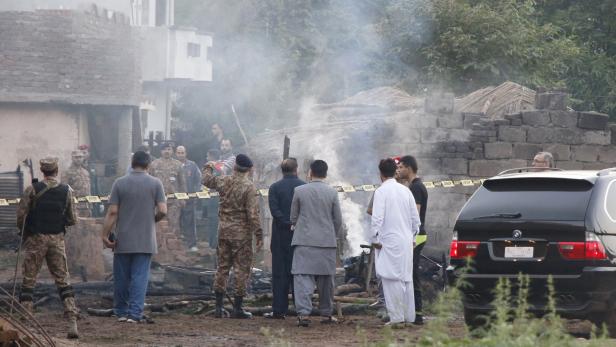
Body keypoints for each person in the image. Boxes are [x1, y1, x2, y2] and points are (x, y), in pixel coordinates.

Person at [17, 157, 79, 339]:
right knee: (63, 279)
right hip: (57, 239)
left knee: (29, 280)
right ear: (56, 170)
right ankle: (72, 320)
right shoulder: (67, 190)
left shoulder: (32, 189)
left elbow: (21, 216)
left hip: (36, 239)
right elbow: (72, 219)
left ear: (42, 171)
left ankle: (25, 321)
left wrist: (25, 232)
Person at [101, 150, 167, 323]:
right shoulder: (156, 183)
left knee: (121, 277)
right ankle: (134, 314)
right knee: (140, 276)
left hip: (123, 239)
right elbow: (163, 210)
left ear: (132, 163)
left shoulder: (119, 183)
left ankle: (121, 312)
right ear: (148, 164)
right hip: (145, 239)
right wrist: (152, 220)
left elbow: (113, 211)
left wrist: (104, 234)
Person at [203, 154, 263, 319]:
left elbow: (206, 180)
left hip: (223, 231)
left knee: (222, 268)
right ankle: (237, 308)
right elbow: (252, 215)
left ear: (235, 166)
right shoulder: (249, 187)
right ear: (250, 170)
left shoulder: (223, 180)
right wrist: (258, 234)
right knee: (241, 270)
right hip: (241, 235)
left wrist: (209, 165)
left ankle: (218, 307)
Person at [290, 160, 343, 327]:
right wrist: (329, 234)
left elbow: (293, 217)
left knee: (303, 279)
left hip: (304, 242)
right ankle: (326, 314)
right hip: (326, 243)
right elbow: (338, 220)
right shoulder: (332, 193)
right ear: (326, 174)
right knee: (326, 281)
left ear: (310, 172)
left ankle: (304, 315)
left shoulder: (299, 191)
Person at [370, 158, 421, 328]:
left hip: (389, 241)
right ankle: (408, 316)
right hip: (406, 240)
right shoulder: (406, 191)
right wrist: (413, 238)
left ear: (381, 174)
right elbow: (416, 219)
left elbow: (377, 218)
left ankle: (397, 318)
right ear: (394, 172)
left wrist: (375, 239)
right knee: (406, 279)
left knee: (391, 279)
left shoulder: (381, 192)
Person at [264, 158, 306, 320]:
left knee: (280, 274)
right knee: (299, 272)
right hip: (299, 235)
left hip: (280, 236)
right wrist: (295, 224)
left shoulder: (274, 188)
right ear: (297, 169)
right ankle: (301, 309)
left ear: (282, 171)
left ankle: (279, 310)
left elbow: (275, 211)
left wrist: (286, 223)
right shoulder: (304, 187)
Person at [396, 155, 428, 325]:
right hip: (416, 236)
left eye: (400, 167)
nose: (398, 170)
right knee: (411, 274)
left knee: (412, 275)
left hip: (416, 237)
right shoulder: (415, 186)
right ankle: (414, 312)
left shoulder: (415, 188)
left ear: (409, 168)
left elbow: (413, 215)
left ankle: (417, 314)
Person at [149, 142, 186, 237]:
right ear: (161, 151)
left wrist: (183, 198)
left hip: (174, 201)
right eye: (165, 149)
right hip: (157, 201)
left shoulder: (178, 165)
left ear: (172, 151)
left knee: (173, 224)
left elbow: (182, 183)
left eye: (169, 149)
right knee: (159, 225)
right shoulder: (154, 164)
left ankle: (174, 249)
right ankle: (160, 248)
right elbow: (149, 181)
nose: (167, 151)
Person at [176, 145, 202, 251]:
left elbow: (198, 179)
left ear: (186, 153)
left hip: (189, 199)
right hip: (175, 200)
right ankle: (176, 246)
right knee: (175, 222)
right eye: (179, 152)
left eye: (182, 152)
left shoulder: (192, 165)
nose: (180, 155)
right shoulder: (173, 165)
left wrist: (195, 193)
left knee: (190, 221)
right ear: (176, 153)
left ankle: (192, 244)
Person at [62, 150, 91, 217]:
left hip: (85, 204)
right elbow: (64, 189)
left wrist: (90, 204)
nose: (78, 159)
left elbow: (88, 189)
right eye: (76, 157)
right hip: (74, 204)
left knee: (86, 225)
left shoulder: (85, 172)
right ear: (72, 158)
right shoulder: (67, 172)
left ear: (83, 158)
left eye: (80, 157)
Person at [204, 149, 222, 250]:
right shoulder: (220, 166)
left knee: (214, 223)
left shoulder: (215, 167)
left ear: (211, 157)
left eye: (208, 156)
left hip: (215, 201)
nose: (207, 158)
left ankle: (214, 245)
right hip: (213, 200)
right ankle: (213, 244)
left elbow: (207, 183)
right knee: (213, 222)